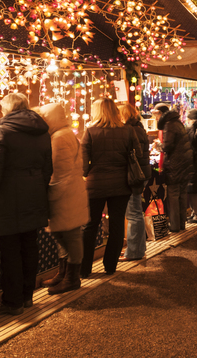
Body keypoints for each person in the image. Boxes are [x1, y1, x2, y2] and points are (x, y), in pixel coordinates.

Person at [0, 93, 52, 315]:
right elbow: (48, 168)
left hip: (7, 200)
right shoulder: (42, 131)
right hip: (35, 196)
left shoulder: (3, 130)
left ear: (7, 108)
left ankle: (12, 302)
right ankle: (27, 297)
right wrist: (38, 188)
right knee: (29, 247)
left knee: (10, 253)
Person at [80, 98, 137, 278]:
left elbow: (83, 163)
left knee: (90, 225)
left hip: (95, 183)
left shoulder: (90, 131)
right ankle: (110, 265)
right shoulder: (127, 130)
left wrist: (88, 173)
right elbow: (137, 154)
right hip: (121, 183)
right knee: (117, 224)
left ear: (97, 111)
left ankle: (85, 268)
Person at [36, 103, 89, 295]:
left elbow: (59, 172)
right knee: (63, 236)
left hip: (65, 196)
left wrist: (50, 195)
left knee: (70, 237)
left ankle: (72, 278)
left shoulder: (59, 137)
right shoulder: (64, 134)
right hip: (70, 193)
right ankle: (64, 273)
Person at [118, 103, 152, 261]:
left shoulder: (130, 130)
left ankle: (133, 252)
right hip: (141, 174)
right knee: (135, 212)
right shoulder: (138, 127)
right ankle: (137, 249)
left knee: (133, 213)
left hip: (134, 176)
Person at [158, 109, 194, 232]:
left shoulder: (169, 125)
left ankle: (174, 226)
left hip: (175, 165)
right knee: (182, 194)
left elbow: (167, 146)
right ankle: (181, 224)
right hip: (184, 164)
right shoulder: (178, 123)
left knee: (173, 195)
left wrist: (158, 146)